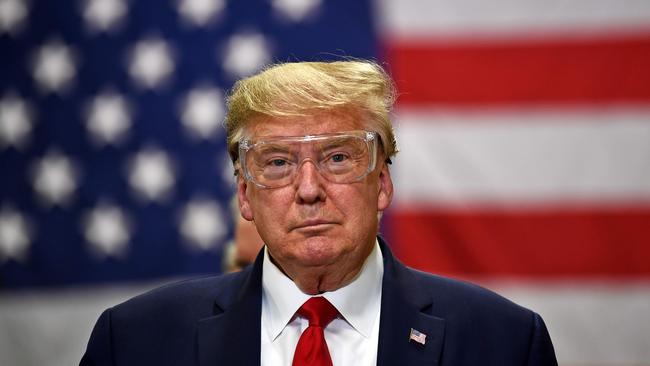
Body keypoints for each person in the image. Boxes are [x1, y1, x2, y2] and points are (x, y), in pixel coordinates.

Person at [80, 60, 558, 365]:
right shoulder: (134, 342)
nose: (309, 190)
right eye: (278, 163)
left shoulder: (505, 343)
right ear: (245, 194)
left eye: (337, 158)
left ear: (383, 183)